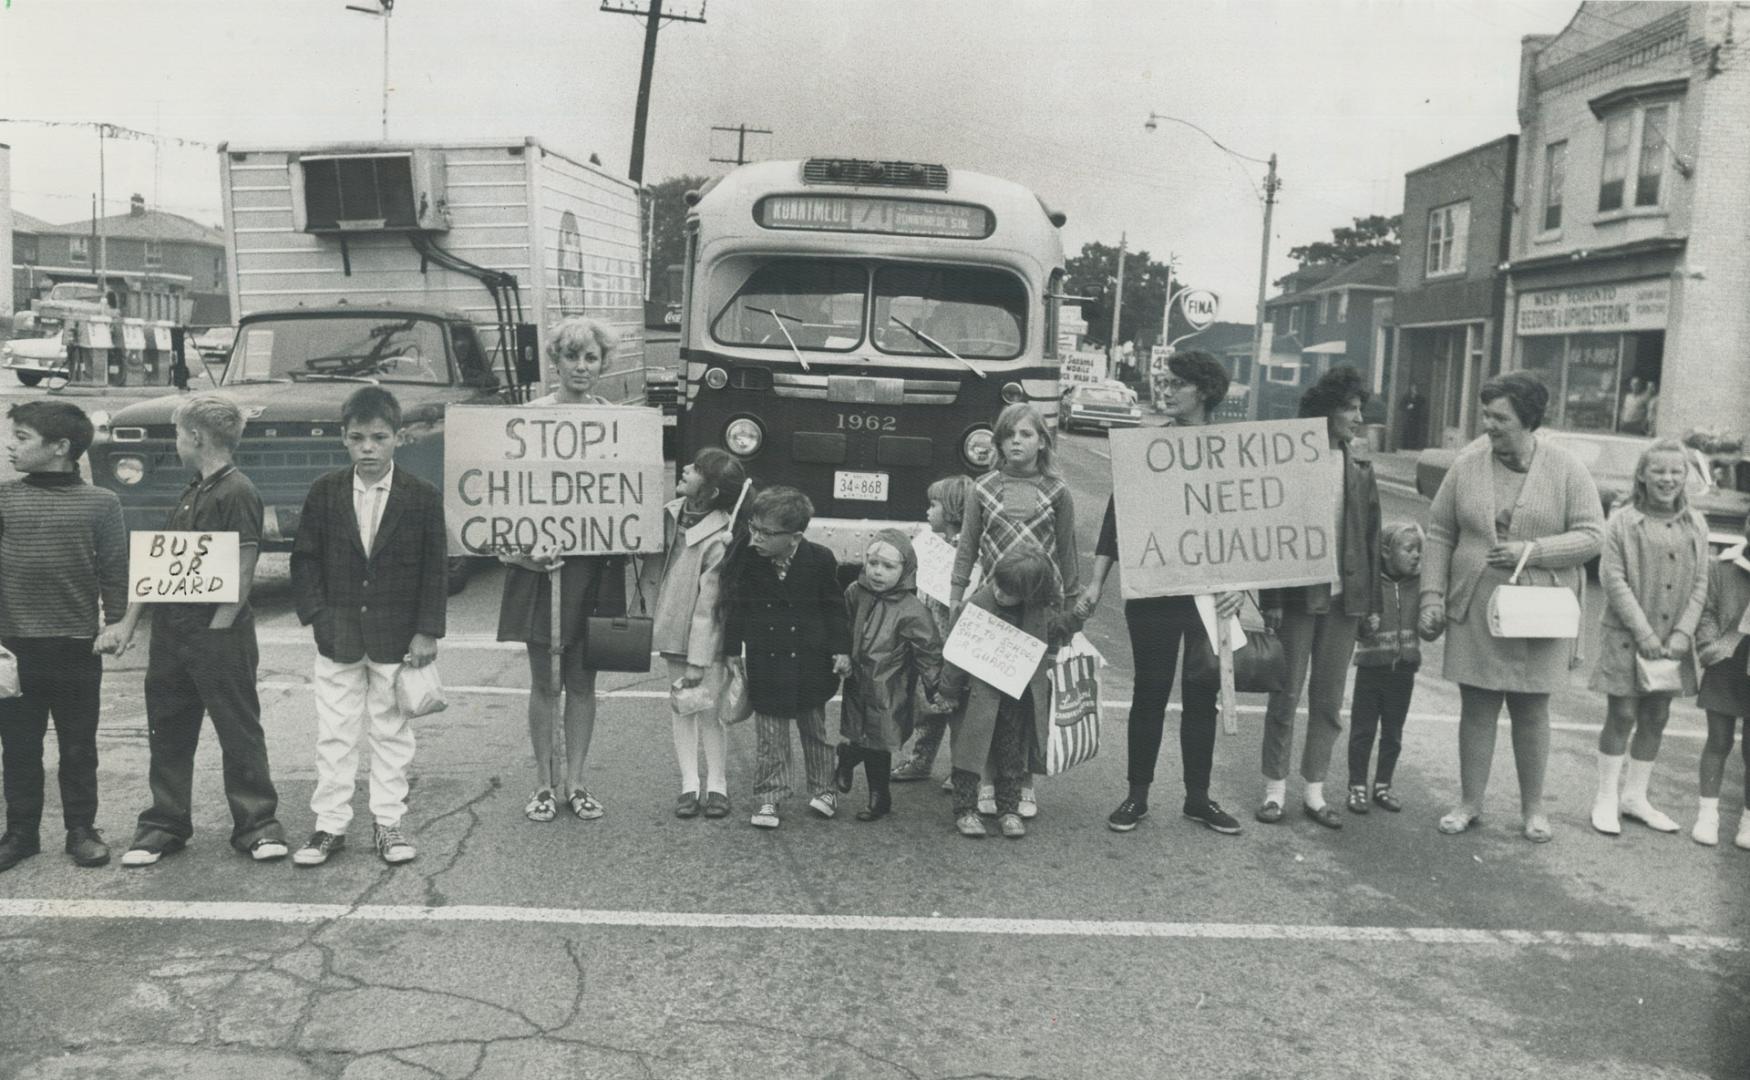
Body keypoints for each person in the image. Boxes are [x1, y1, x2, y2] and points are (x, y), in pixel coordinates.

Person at [99, 394, 289, 867]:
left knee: (238, 729)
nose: (177, 443)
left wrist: (219, 629)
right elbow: (156, 569)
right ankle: (164, 824)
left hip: (218, 635)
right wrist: (128, 623)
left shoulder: (238, 491)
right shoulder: (190, 493)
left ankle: (257, 825)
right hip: (171, 635)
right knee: (168, 731)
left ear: (196, 437)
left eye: (178, 435)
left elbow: (244, 571)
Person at [1420, 372, 1603, 843]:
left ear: (1528, 419)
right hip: (1477, 601)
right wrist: (1432, 596)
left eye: (1500, 417)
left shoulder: (1566, 469)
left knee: (1530, 709)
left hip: (1542, 608)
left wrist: (1533, 550)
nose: (1489, 425)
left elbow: (1592, 536)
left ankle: (1533, 810)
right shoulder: (1468, 464)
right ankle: (1469, 803)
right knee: (1477, 707)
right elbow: (1441, 532)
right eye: (1487, 415)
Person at [1076, 350, 1244, 835]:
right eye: (1163, 382)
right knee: (1149, 692)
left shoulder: (1230, 453)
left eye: (1176, 384)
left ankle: (1198, 798)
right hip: (1153, 592)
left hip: (1210, 596)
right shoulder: (1146, 450)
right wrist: (1095, 583)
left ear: (1205, 391)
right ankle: (1137, 796)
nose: (1164, 391)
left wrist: (1241, 586)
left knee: (1201, 693)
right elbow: (1115, 519)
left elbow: (1249, 529)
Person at [288, 387, 447, 867]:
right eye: (358, 438)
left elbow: (433, 568)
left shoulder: (421, 496)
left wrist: (427, 631)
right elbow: (305, 560)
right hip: (337, 633)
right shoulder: (326, 491)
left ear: (400, 438)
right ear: (343, 439)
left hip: (396, 636)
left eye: (379, 437)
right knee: (334, 733)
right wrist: (317, 617)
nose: (368, 448)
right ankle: (329, 825)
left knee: (391, 731)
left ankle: (388, 823)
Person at [495, 316, 628, 824]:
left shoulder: (616, 421)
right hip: (539, 569)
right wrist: (523, 552)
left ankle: (577, 781)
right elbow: (502, 501)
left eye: (591, 357)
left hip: (593, 570)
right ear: (555, 361)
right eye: (571, 357)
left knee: (582, 680)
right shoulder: (527, 419)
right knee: (545, 682)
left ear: (603, 363)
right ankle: (543, 784)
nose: (581, 367)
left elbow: (625, 503)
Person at [0, 402, 128, 872]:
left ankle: (81, 829)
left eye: (22, 437)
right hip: (12, 648)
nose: (10, 445)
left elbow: (115, 569)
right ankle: (20, 832)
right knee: (18, 746)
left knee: (78, 745)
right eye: (12, 436)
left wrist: (116, 622)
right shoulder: (4, 498)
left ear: (60, 448)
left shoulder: (102, 503)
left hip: (76, 645)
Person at [1257, 365, 1383, 830]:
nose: (1357, 416)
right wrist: (1269, 597)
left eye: (1359, 408)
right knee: (1285, 696)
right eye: (1348, 408)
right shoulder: (1293, 461)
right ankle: (1273, 790)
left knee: (1329, 700)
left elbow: (1371, 540)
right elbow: (1274, 533)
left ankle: (1314, 790)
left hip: (1343, 600)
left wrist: (1371, 606)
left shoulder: (1361, 467)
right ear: (1325, 412)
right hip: (1296, 596)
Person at [952, 402, 1079, 818]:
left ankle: (1022, 780)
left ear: (1042, 442)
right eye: (1009, 436)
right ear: (999, 444)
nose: (1017, 442)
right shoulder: (982, 488)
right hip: (993, 605)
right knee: (986, 698)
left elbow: (1066, 551)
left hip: (1038, 609)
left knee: (1029, 698)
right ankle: (987, 779)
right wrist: (957, 594)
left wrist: (1071, 606)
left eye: (1026, 435)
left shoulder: (1057, 491)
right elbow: (968, 546)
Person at [1588, 439, 1710, 837]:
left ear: (1685, 477)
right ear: (1642, 474)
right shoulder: (1622, 521)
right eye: (1659, 471)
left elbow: (1701, 583)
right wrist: (1643, 632)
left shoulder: (1696, 523)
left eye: (1676, 472)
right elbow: (1613, 578)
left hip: (1673, 640)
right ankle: (1606, 797)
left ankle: (1635, 797)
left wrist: (1682, 633)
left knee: (1657, 716)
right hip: (1628, 635)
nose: (1668, 479)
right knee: (1622, 714)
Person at [719, 486, 851, 829]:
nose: (756, 539)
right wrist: (732, 648)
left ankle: (824, 789)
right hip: (768, 662)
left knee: (815, 731)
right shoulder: (748, 560)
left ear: (794, 537)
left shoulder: (820, 559)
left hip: (812, 663)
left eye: (766, 533)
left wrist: (842, 649)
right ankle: (768, 797)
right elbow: (736, 607)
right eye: (754, 528)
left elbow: (835, 608)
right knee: (771, 737)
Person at [939, 545, 1078, 839]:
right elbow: (955, 653)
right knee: (968, 754)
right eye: (999, 585)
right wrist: (948, 691)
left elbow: (1055, 629)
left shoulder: (1037, 612)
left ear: (1029, 593)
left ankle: (1009, 809)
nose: (1000, 593)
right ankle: (965, 809)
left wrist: (1076, 617)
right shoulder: (977, 604)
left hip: (1015, 696)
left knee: (1012, 754)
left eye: (1009, 591)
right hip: (977, 695)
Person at [651, 447, 746, 820]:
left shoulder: (722, 535)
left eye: (695, 468)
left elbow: (709, 605)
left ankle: (718, 783)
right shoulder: (670, 515)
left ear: (710, 490)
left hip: (706, 643)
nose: (685, 467)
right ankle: (689, 783)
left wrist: (698, 660)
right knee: (682, 710)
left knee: (710, 713)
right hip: (674, 632)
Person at [838, 529, 945, 821]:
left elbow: (928, 651)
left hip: (890, 685)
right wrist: (841, 654)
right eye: (873, 563)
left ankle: (876, 793)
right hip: (858, 680)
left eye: (888, 566)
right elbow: (841, 628)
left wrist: (937, 687)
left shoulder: (912, 610)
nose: (877, 572)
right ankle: (852, 762)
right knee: (862, 732)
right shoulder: (854, 593)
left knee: (880, 739)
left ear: (905, 569)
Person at [892, 473, 973, 785]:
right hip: (929, 642)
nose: (927, 511)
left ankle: (962, 769)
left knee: (960, 709)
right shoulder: (929, 545)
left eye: (934, 505)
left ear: (952, 510)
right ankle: (921, 759)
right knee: (928, 704)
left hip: (958, 642)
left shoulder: (969, 550)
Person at [1346, 522, 1424, 815]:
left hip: (1404, 670)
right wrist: (1365, 626)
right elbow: (1355, 627)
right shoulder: (1371, 584)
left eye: (1419, 549)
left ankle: (1382, 785)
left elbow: (1429, 625)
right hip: (1371, 668)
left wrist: (1432, 622)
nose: (1416, 555)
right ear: (1386, 552)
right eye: (1409, 549)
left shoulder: (1418, 584)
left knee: (1393, 732)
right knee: (1362, 731)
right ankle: (1356, 787)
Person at [1692, 512, 1750, 850]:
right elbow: (1708, 610)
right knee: (1718, 740)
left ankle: (1747, 819)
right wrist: (1711, 646)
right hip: (1727, 662)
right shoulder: (1723, 566)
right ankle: (1707, 814)